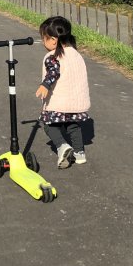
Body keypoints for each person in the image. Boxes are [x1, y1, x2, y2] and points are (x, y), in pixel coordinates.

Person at [35, 15, 91, 169]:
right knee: (73, 125)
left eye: (44, 38)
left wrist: (45, 85)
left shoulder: (52, 57)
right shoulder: (76, 54)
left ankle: (62, 146)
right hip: (77, 101)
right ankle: (80, 154)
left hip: (60, 101)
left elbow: (53, 73)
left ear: (53, 40)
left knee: (48, 124)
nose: (43, 42)